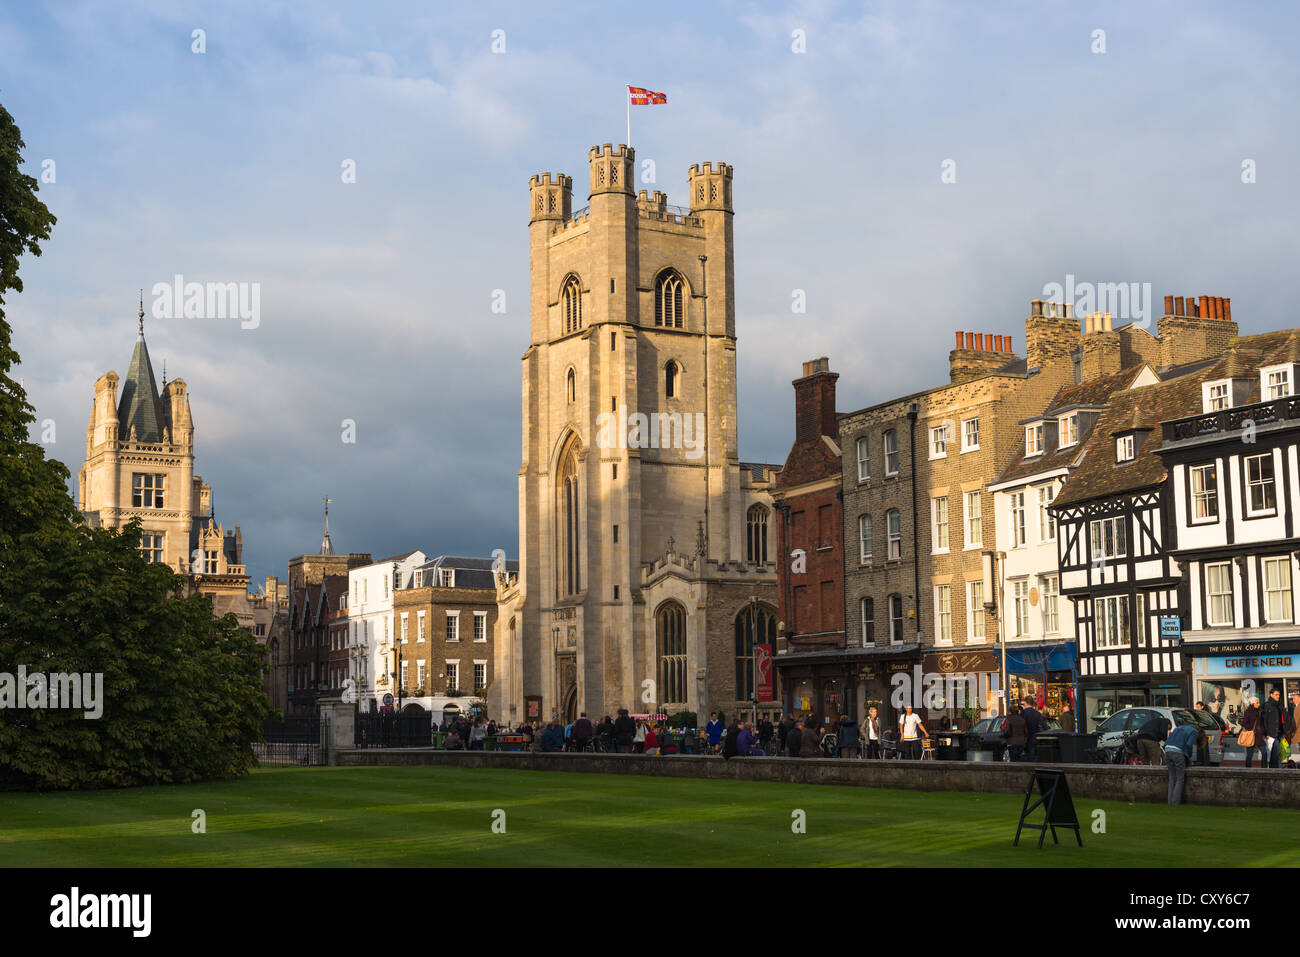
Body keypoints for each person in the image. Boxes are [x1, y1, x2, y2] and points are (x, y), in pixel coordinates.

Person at [1165, 724, 1208, 805]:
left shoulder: (1178, 728)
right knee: (1179, 779)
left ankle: (1170, 802)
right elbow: (1188, 745)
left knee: (1172, 778)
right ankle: (1175, 803)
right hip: (1177, 753)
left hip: (1167, 750)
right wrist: (1189, 758)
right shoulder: (1194, 732)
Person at [1261, 688, 1286, 768]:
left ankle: (1277, 771)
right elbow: (1263, 720)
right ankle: (1272, 771)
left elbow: (1280, 721)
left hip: (1277, 734)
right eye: (1276, 695)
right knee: (1271, 755)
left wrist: (1282, 732)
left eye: (1279, 695)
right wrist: (1266, 733)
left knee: (1277, 754)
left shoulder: (1278, 706)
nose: (1278, 696)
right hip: (1270, 735)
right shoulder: (1266, 705)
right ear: (1271, 695)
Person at [1241, 697, 1265, 767]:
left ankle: (1265, 769)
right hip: (1251, 736)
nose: (1259, 704)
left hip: (1259, 736)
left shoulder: (1259, 711)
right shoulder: (1248, 711)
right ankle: (1248, 770)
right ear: (1252, 703)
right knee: (1250, 754)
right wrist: (1252, 729)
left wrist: (1262, 730)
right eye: (1257, 702)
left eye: (1259, 702)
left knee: (1264, 752)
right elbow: (1244, 723)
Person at [1286, 691, 1300, 767]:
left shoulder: (1298, 708)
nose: (1293, 700)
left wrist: (1290, 731)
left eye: (1294, 699)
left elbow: (1296, 722)